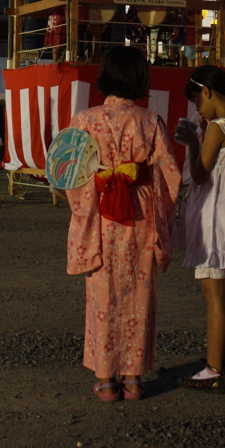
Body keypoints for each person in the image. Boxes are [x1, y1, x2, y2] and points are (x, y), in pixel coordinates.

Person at [65, 45, 181, 402]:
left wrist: (85, 204)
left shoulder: (85, 119)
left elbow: (71, 174)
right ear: (140, 79)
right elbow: (169, 175)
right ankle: (133, 378)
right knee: (139, 293)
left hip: (100, 213)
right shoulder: (150, 121)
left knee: (103, 293)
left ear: (107, 77)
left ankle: (106, 378)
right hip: (140, 214)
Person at [175, 65, 225, 392]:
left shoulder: (216, 128)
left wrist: (190, 142)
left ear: (207, 92)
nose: (197, 108)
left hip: (213, 216)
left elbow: (199, 175)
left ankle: (213, 369)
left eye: (197, 100)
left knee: (213, 295)